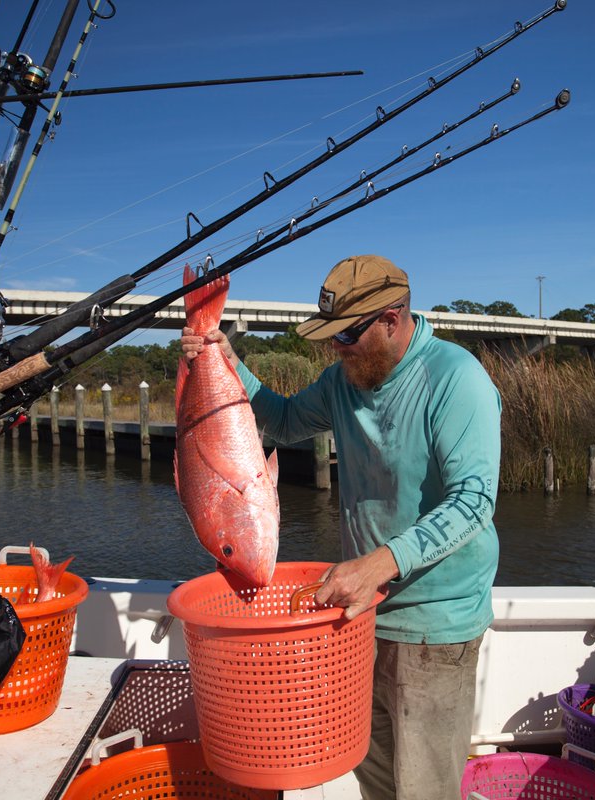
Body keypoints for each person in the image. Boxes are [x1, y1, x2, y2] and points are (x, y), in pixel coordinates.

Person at [181, 254, 501, 800]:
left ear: (391, 320)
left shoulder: (455, 377)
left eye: (347, 335)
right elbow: (281, 419)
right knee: (372, 773)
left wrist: (376, 563)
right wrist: (226, 360)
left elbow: (474, 503)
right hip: (359, 613)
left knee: (425, 786)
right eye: (331, 337)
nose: (336, 348)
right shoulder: (342, 380)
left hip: (436, 621)